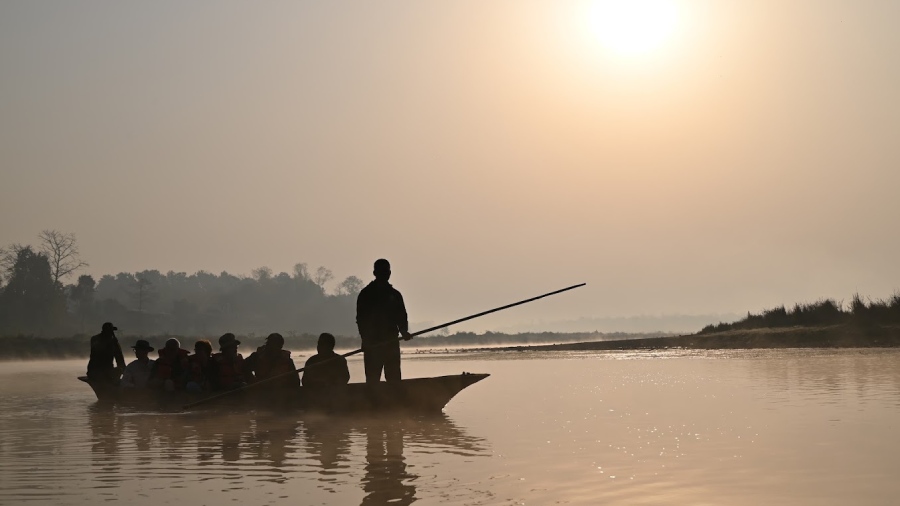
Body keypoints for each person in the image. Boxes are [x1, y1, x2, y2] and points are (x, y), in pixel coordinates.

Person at [356, 259, 411, 383]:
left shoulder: (395, 295)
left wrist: (404, 331)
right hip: (373, 344)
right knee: (372, 379)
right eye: (382, 271)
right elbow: (361, 320)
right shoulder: (366, 295)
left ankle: (393, 400)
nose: (385, 274)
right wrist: (365, 339)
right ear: (375, 273)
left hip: (390, 342)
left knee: (393, 378)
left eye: (386, 271)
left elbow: (401, 316)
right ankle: (374, 401)